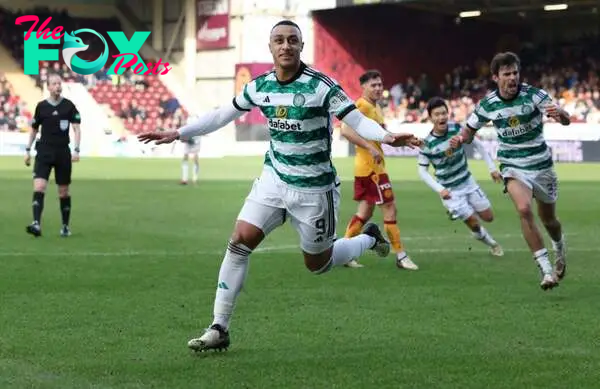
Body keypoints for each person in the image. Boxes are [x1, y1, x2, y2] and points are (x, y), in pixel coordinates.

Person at [138, 20, 422, 352]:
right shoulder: (260, 86)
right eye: (278, 40)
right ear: (270, 47)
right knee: (239, 241)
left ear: (301, 46)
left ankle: (367, 238)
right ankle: (219, 327)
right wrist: (179, 133)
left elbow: (354, 120)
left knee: (318, 264)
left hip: (315, 190)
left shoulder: (322, 86)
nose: (285, 45)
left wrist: (387, 136)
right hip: (274, 180)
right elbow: (222, 114)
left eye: (292, 40)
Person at [450, 52, 570, 290]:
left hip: (541, 165)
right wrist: (458, 139)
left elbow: (565, 119)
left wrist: (562, 115)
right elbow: (468, 131)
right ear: (496, 77)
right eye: (507, 74)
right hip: (512, 166)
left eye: (515, 72)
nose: (512, 77)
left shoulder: (534, 95)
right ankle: (546, 270)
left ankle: (559, 246)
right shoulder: (487, 104)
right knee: (524, 209)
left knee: (549, 220)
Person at [340, 70, 418, 270]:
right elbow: (346, 130)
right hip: (371, 170)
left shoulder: (376, 108)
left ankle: (344, 253)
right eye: (373, 85)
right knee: (389, 208)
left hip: (371, 168)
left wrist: (405, 140)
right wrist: (369, 147)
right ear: (363, 87)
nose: (378, 88)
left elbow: (385, 136)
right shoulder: (361, 106)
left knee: (364, 212)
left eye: (379, 85)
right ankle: (401, 256)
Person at [419, 97, 503, 256]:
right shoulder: (427, 143)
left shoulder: (456, 129)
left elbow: (477, 144)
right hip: (450, 191)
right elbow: (422, 171)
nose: (441, 117)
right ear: (430, 118)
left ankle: (463, 214)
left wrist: (492, 168)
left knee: (489, 217)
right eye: (437, 114)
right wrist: (440, 189)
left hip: (468, 182)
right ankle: (493, 244)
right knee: (474, 222)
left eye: (444, 113)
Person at [24, 74, 81, 237]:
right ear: (48, 87)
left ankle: (65, 226)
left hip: (62, 152)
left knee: (63, 191)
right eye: (54, 83)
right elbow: (34, 129)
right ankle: (36, 224)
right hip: (44, 151)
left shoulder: (69, 106)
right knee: (39, 186)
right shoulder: (41, 106)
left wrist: (77, 150)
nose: (57, 86)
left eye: (59, 83)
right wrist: (27, 150)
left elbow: (77, 128)